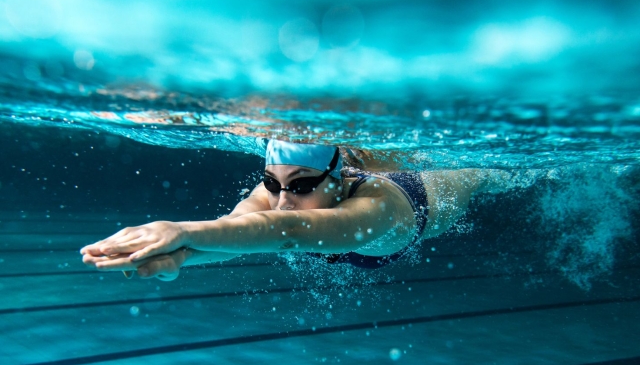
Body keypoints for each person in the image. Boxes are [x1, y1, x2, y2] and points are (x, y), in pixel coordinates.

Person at [80, 139, 513, 280]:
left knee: (489, 174)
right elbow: (236, 230)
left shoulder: (377, 209)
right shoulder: (278, 194)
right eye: (273, 183)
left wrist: (177, 229)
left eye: (303, 186)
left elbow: (288, 229)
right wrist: (180, 257)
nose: (284, 199)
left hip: (430, 193)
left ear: (338, 180)